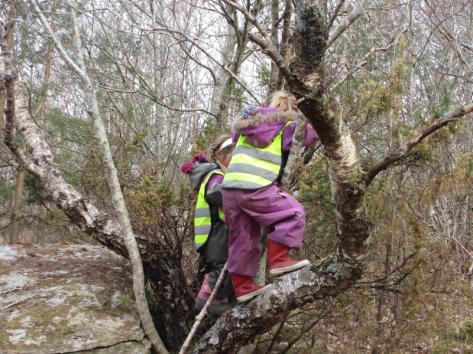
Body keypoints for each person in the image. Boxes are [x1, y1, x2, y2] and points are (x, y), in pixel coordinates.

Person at [221, 91, 319, 303]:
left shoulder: (247, 126)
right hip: (255, 187)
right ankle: (278, 260)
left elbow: (234, 135)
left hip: (229, 189)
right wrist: (312, 115)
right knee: (292, 212)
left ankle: (243, 287)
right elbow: (309, 135)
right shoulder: (285, 126)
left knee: (242, 238)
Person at [180, 135, 234, 315]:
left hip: (216, 231)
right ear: (219, 155)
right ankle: (205, 299)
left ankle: (218, 297)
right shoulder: (215, 175)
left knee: (226, 264)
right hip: (214, 231)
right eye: (234, 154)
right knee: (222, 264)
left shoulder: (220, 174)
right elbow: (215, 195)